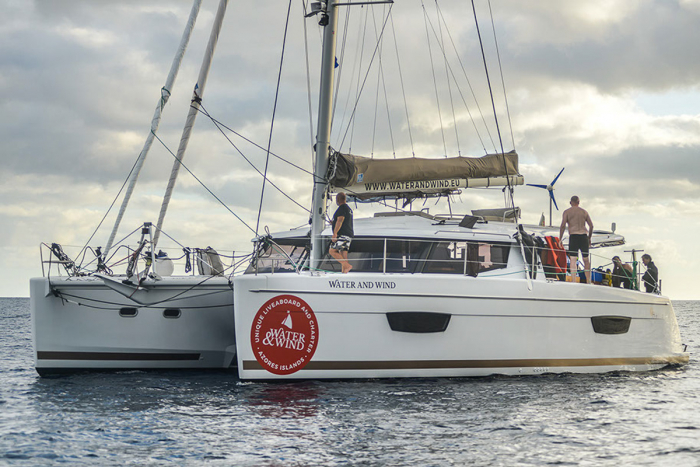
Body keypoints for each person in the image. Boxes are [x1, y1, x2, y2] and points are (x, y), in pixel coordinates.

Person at [559, 195, 594, 283]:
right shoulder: (584, 212)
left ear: (571, 202)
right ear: (579, 202)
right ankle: (588, 280)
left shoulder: (567, 212)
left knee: (573, 259)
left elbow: (563, 226)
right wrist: (589, 238)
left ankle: (574, 280)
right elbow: (591, 226)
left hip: (574, 236)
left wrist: (560, 239)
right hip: (583, 236)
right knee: (586, 259)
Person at [329, 192, 354, 273]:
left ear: (338, 199)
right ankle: (344, 273)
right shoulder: (348, 209)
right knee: (343, 254)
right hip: (348, 235)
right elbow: (342, 221)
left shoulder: (341, 208)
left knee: (332, 251)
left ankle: (347, 266)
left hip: (342, 235)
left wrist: (335, 233)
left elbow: (340, 220)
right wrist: (334, 222)